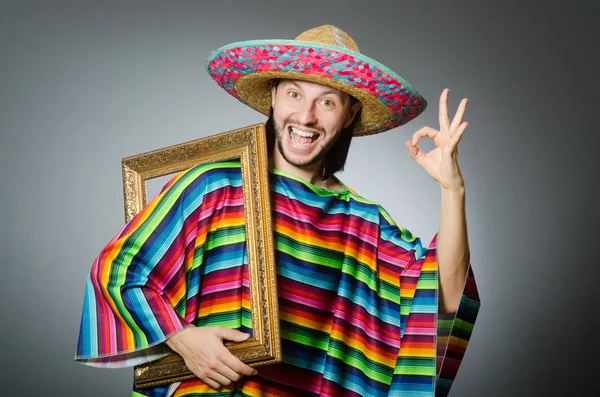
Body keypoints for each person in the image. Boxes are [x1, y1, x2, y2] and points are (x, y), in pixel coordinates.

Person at [76, 25, 480, 397]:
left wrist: (452, 190)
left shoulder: (363, 223)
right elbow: (118, 270)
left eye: (327, 101)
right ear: (272, 95)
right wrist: (181, 339)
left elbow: (444, 297)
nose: (305, 116)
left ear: (350, 114)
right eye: (294, 94)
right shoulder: (212, 186)